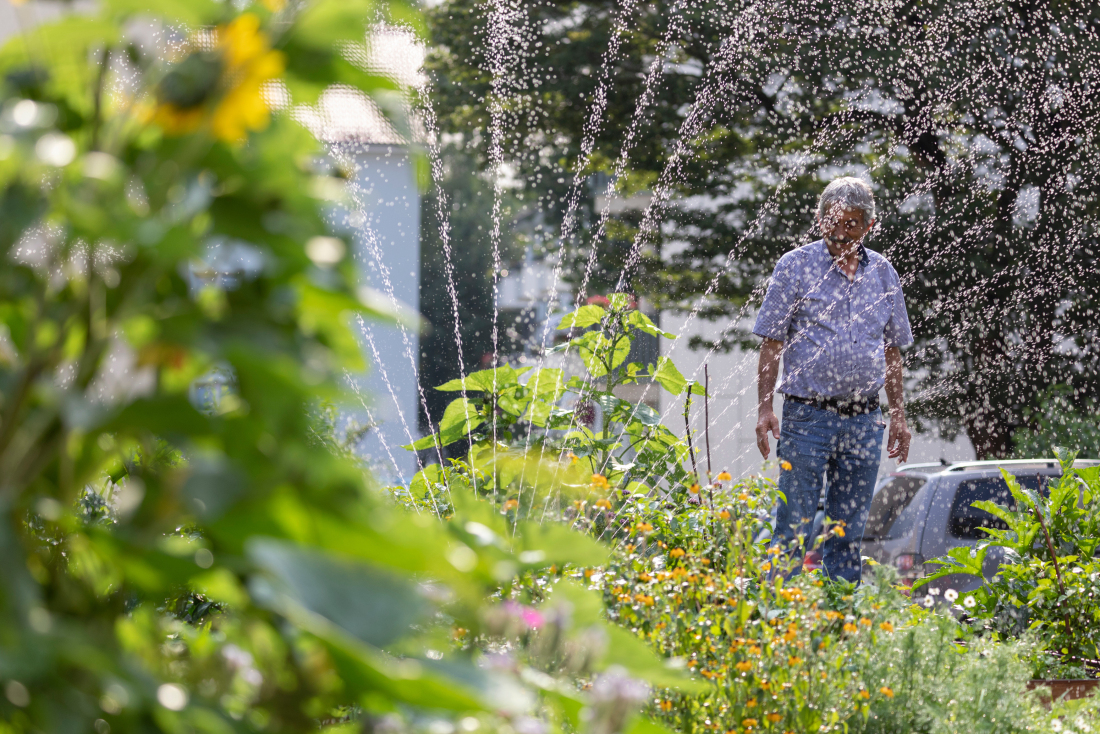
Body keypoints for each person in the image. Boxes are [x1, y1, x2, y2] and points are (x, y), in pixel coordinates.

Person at [753, 176, 912, 583]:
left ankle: (839, 625)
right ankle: (778, 621)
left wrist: (898, 415)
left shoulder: (883, 274)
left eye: (853, 224)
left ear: (869, 226)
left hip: (864, 421)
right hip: (808, 419)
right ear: (820, 219)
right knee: (793, 529)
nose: (842, 232)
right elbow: (771, 343)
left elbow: (892, 351)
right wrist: (765, 408)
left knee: (848, 535)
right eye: (834, 221)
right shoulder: (795, 266)